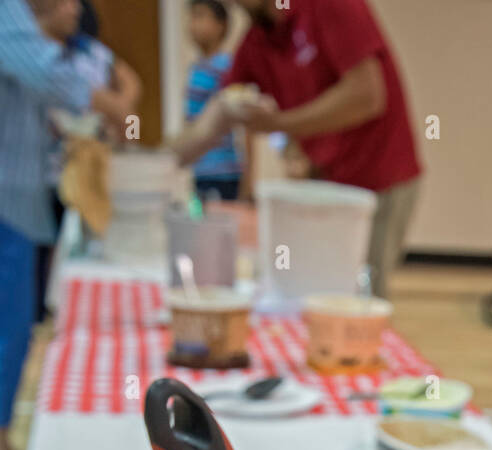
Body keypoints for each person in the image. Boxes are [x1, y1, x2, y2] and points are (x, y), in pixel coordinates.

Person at [172, 0, 422, 297]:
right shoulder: (259, 40)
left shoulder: (331, 7)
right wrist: (152, 163)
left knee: (358, 298)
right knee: (311, 292)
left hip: (379, 179)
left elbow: (367, 96)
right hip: (326, 180)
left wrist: (281, 123)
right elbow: (218, 115)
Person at [0, 0, 134, 450]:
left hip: (26, 205)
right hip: (8, 205)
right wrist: (119, 104)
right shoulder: (13, 20)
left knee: (18, 331)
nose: (73, 9)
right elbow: (49, 76)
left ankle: (5, 446)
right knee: (6, 334)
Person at [34, 0, 141, 320]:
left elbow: (131, 82)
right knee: (40, 247)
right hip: (39, 172)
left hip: (83, 165)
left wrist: (121, 110)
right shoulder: (33, 52)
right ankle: (40, 313)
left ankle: (68, 309)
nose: (74, 10)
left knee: (80, 241)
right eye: (65, 4)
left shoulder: (90, 52)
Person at [186, 0, 242, 203]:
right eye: (191, 17)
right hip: (199, 171)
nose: (193, 24)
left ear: (221, 25)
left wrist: (249, 180)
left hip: (223, 173)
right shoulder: (196, 68)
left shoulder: (225, 67)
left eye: (200, 16)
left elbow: (244, 118)